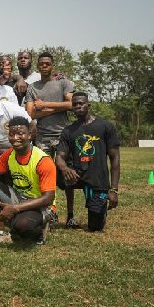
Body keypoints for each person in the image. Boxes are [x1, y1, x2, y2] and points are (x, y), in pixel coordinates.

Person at [0, 116, 57, 244]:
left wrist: (15, 208)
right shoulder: (8, 154)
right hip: (18, 197)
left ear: (29, 135)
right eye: (12, 134)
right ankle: (0, 229)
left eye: (20, 134)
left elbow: (48, 198)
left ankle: (41, 226)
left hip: (39, 204)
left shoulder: (43, 160)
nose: (15, 138)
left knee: (23, 226)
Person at [55, 92, 120, 231]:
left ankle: (98, 208)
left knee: (95, 227)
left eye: (81, 103)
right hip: (76, 175)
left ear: (88, 105)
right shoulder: (68, 130)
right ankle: (69, 215)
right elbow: (59, 157)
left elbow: (115, 159)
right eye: (75, 104)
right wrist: (65, 169)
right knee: (58, 171)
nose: (78, 106)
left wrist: (114, 189)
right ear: (71, 107)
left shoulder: (105, 126)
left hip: (97, 178)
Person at [25, 52, 74, 190]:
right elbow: (30, 113)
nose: (44, 66)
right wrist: (58, 107)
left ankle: (70, 212)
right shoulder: (32, 87)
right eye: (41, 64)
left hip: (62, 135)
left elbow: (71, 104)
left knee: (66, 176)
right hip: (42, 137)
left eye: (47, 64)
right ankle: (48, 207)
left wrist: (44, 105)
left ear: (52, 66)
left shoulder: (63, 83)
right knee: (43, 173)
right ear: (38, 66)